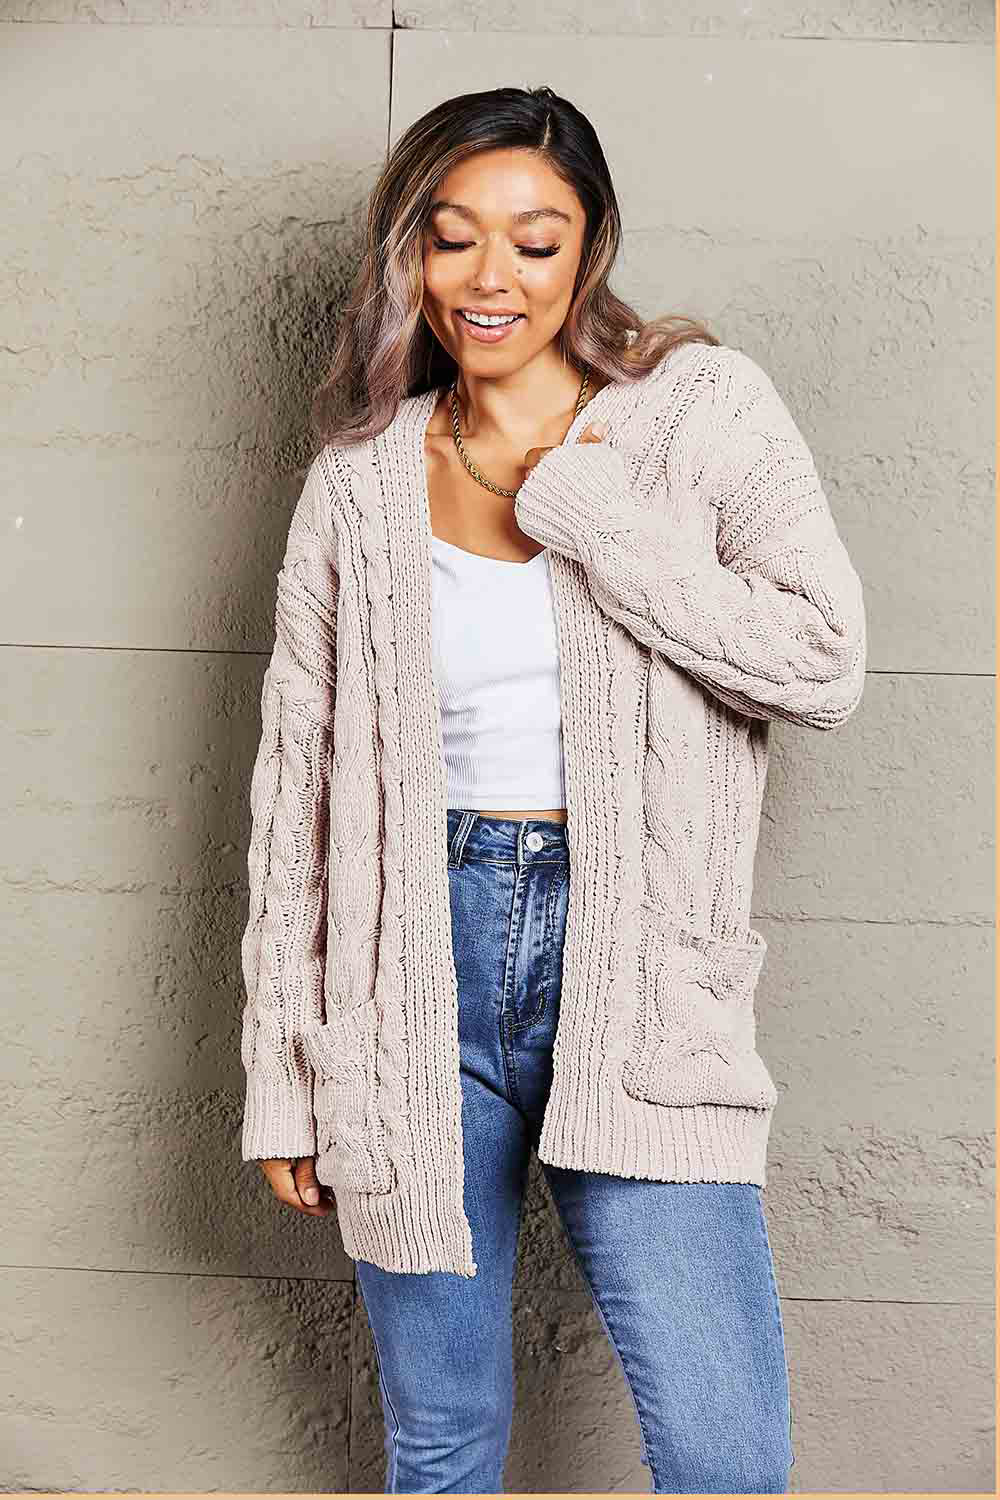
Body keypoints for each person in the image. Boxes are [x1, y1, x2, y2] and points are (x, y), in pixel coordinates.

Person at [238, 84, 866, 1495]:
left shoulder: (701, 411)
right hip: (408, 972)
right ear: (410, 252)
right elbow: (297, 795)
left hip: (639, 970)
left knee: (724, 1455)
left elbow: (821, 661)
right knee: (443, 1442)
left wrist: (585, 509)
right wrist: (283, 1072)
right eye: (452, 237)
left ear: (590, 249)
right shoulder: (359, 482)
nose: (491, 277)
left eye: (534, 240)